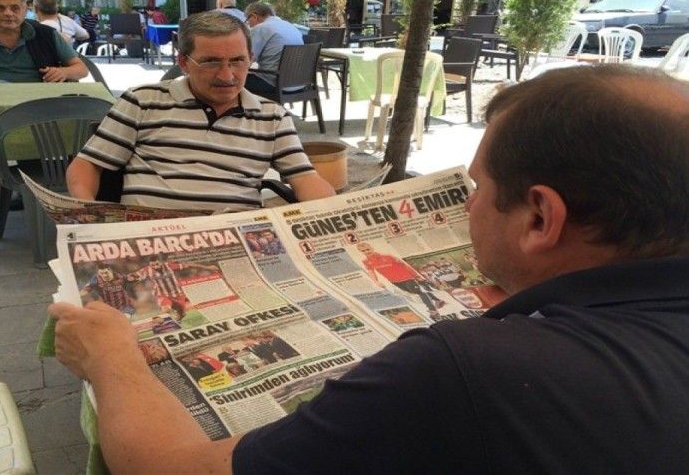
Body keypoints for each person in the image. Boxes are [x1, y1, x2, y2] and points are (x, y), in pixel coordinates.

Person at [50, 65, 689, 473]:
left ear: (540, 218)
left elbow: (176, 470)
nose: (467, 206)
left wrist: (112, 358)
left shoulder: (464, 369)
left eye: (477, 188)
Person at [65, 11, 334, 212]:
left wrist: (334, 210)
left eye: (238, 61)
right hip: (147, 237)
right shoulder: (142, 101)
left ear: (250, 59)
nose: (227, 75)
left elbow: (304, 178)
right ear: (183, 62)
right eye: (211, 62)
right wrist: (88, 214)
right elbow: (88, 164)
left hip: (234, 238)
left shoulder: (272, 116)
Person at [357, 242, 446, 315]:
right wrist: (376, 281)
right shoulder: (366, 261)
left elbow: (405, 265)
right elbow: (371, 271)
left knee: (419, 292)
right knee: (414, 292)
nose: (366, 251)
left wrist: (416, 276)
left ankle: (432, 310)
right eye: (363, 251)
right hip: (394, 281)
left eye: (368, 249)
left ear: (372, 248)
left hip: (407, 278)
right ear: (360, 251)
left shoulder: (388, 256)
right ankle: (438, 300)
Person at [243, 1, 303, 98]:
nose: (249, 25)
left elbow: (247, 59)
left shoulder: (261, 28)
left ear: (254, 16)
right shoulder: (290, 26)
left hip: (275, 84)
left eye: (247, 20)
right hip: (300, 83)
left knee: (232, 80)